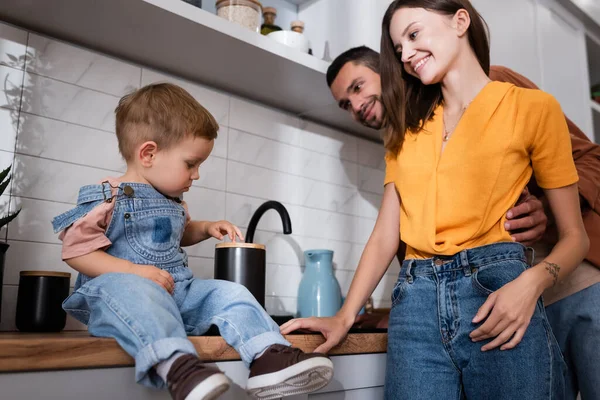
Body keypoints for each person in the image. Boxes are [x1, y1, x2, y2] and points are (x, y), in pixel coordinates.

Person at [281, 1, 590, 399]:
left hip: (498, 291)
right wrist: (344, 316)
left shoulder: (533, 107)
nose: (406, 54)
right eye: (398, 49)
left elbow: (574, 238)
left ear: (461, 20)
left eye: (413, 35)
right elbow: (385, 235)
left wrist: (529, 284)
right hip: (416, 299)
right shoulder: (406, 132)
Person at [51, 83, 333, 400]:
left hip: (177, 292)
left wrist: (206, 227)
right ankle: (179, 368)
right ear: (148, 154)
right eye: (191, 164)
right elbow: (76, 252)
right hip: (120, 298)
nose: (196, 175)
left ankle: (268, 358)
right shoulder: (108, 198)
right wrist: (134, 271)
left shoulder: (172, 201)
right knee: (136, 290)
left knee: (230, 292)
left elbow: (178, 234)